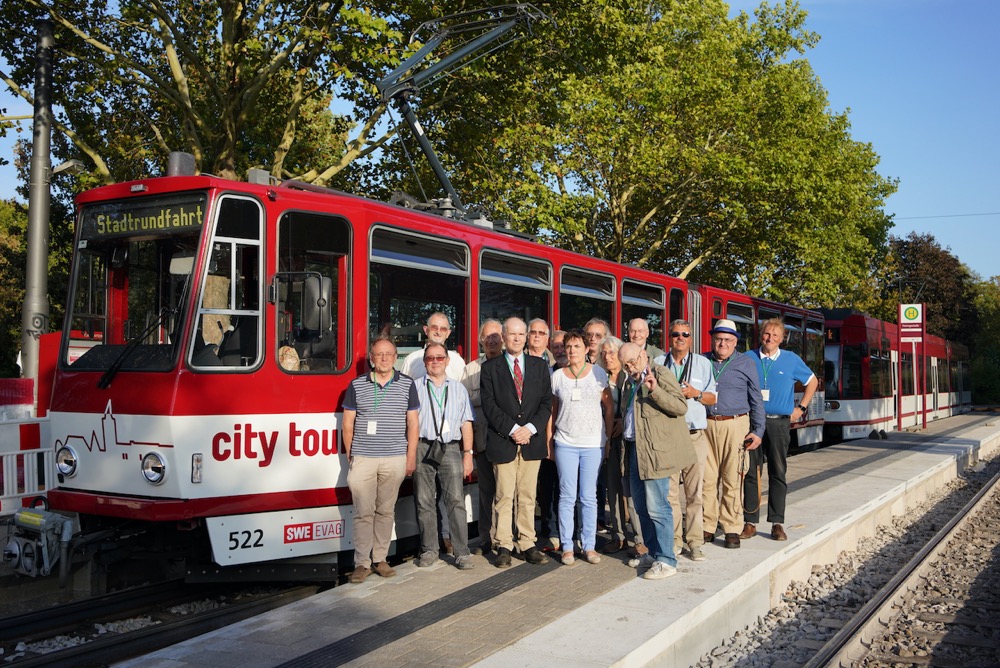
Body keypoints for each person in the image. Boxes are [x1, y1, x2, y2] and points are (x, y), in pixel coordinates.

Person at [342, 336, 419, 584]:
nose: (384, 358)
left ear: (396, 358)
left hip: (395, 457)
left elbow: (413, 423)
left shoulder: (407, 384)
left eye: (388, 354)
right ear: (371, 358)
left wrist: (410, 457)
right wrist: (351, 455)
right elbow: (348, 423)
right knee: (363, 513)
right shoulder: (357, 385)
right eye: (379, 354)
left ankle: (380, 560)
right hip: (364, 458)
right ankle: (361, 564)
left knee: (386, 511)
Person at [480, 317, 553, 568]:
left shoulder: (540, 366)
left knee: (528, 495)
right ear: (503, 336)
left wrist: (530, 429)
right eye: (512, 334)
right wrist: (513, 429)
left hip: (531, 441)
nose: (518, 338)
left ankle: (527, 543)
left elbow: (546, 402)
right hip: (504, 440)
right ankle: (504, 545)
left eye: (522, 334)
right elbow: (489, 405)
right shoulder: (490, 368)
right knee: (503, 495)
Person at [617, 342, 694, 580]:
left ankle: (667, 560)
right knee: (641, 507)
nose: (630, 367)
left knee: (658, 507)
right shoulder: (629, 381)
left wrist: (655, 390)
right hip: (634, 450)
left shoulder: (660, 373)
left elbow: (680, 406)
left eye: (633, 361)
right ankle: (653, 553)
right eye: (625, 364)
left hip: (655, 453)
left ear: (643, 354)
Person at [740, 318, 818, 542]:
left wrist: (801, 407)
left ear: (782, 339)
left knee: (778, 472)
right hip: (753, 423)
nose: (770, 338)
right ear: (760, 335)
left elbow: (812, 382)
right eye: (766, 334)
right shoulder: (748, 358)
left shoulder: (791, 360)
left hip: (778, 423)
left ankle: (777, 522)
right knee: (751, 472)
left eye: (775, 335)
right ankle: (750, 522)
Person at [654, 319, 717, 562]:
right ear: (668, 338)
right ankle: (674, 540)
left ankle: (695, 542)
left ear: (691, 339)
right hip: (668, 435)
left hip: (694, 436)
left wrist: (696, 394)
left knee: (695, 493)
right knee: (669, 494)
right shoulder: (659, 363)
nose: (680, 338)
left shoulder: (703, 364)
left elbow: (713, 398)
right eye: (675, 334)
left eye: (685, 334)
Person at [550, 330, 614, 565]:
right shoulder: (557, 376)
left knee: (588, 497)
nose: (572, 351)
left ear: (587, 349)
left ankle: (589, 545)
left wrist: (605, 439)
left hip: (592, 444)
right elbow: (553, 411)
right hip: (565, 443)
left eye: (577, 346)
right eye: (568, 347)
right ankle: (567, 546)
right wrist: (550, 439)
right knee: (567, 496)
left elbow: (608, 407)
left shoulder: (598, 374)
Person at [702, 319, 765, 550]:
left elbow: (756, 398)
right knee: (707, 479)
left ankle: (731, 527)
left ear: (735, 342)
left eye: (728, 340)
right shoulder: (702, 360)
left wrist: (758, 431)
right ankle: (707, 526)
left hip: (736, 425)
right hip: (706, 425)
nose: (723, 343)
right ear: (713, 339)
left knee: (732, 478)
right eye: (719, 339)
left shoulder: (745, 363)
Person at [413, 342, 477, 570]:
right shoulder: (415, 387)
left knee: (456, 501)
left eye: (440, 358)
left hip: (450, 448)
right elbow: (408, 423)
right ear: (424, 362)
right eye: (430, 358)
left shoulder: (458, 389)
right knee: (424, 501)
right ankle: (430, 549)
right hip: (422, 446)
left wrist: (467, 454)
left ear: (447, 361)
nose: (435, 362)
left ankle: (462, 552)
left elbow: (466, 423)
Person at [461, 319, 504, 554]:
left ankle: (506, 536)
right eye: (487, 337)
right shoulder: (471, 370)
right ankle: (486, 537)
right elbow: (464, 407)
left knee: (507, 490)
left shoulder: (512, 366)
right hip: (483, 438)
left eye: (496, 336)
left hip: (507, 439)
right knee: (486, 489)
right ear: (481, 340)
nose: (492, 341)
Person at [598, 335, 640, 554]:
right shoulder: (599, 376)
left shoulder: (628, 377)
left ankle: (639, 538)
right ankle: (618, 535)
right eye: (603, 353)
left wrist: (622, 420)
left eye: (611, 352)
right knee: (612, 488)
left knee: (630, 488)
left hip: (627, 438)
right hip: (606, 438)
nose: (607, 357)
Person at [401, 312, 466, 380]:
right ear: (426, 330)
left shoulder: (457, 361)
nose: (438, 332)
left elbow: (463, 388)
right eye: (434, 328)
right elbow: (403, 388)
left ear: (448, 333)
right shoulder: (411, 360)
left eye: (443, 329)